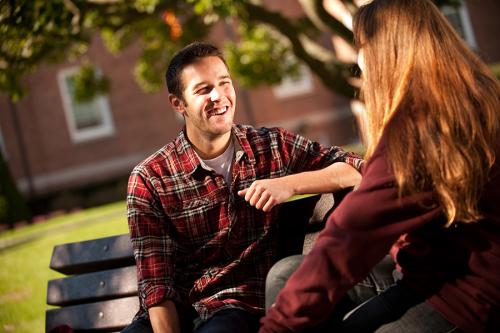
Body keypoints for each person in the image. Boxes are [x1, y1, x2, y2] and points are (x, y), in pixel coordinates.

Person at [259, 0, 500, 332]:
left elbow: (351, 235)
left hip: (467, 294)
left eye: (362, 46)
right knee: (287, 276)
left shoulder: (421, 127)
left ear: (385, 51)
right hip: (425, 271)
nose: (359, 60)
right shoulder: (470, 95)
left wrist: (276, 328)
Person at [123, 42, 363, 333]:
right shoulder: (150, 177)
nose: (219, 96)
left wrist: (288, 184)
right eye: (203, 90)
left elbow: (356, 167)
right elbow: (157, 284)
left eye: (224, 83)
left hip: (234, 308)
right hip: (168, 318)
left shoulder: (271, 147)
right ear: (178, 104)